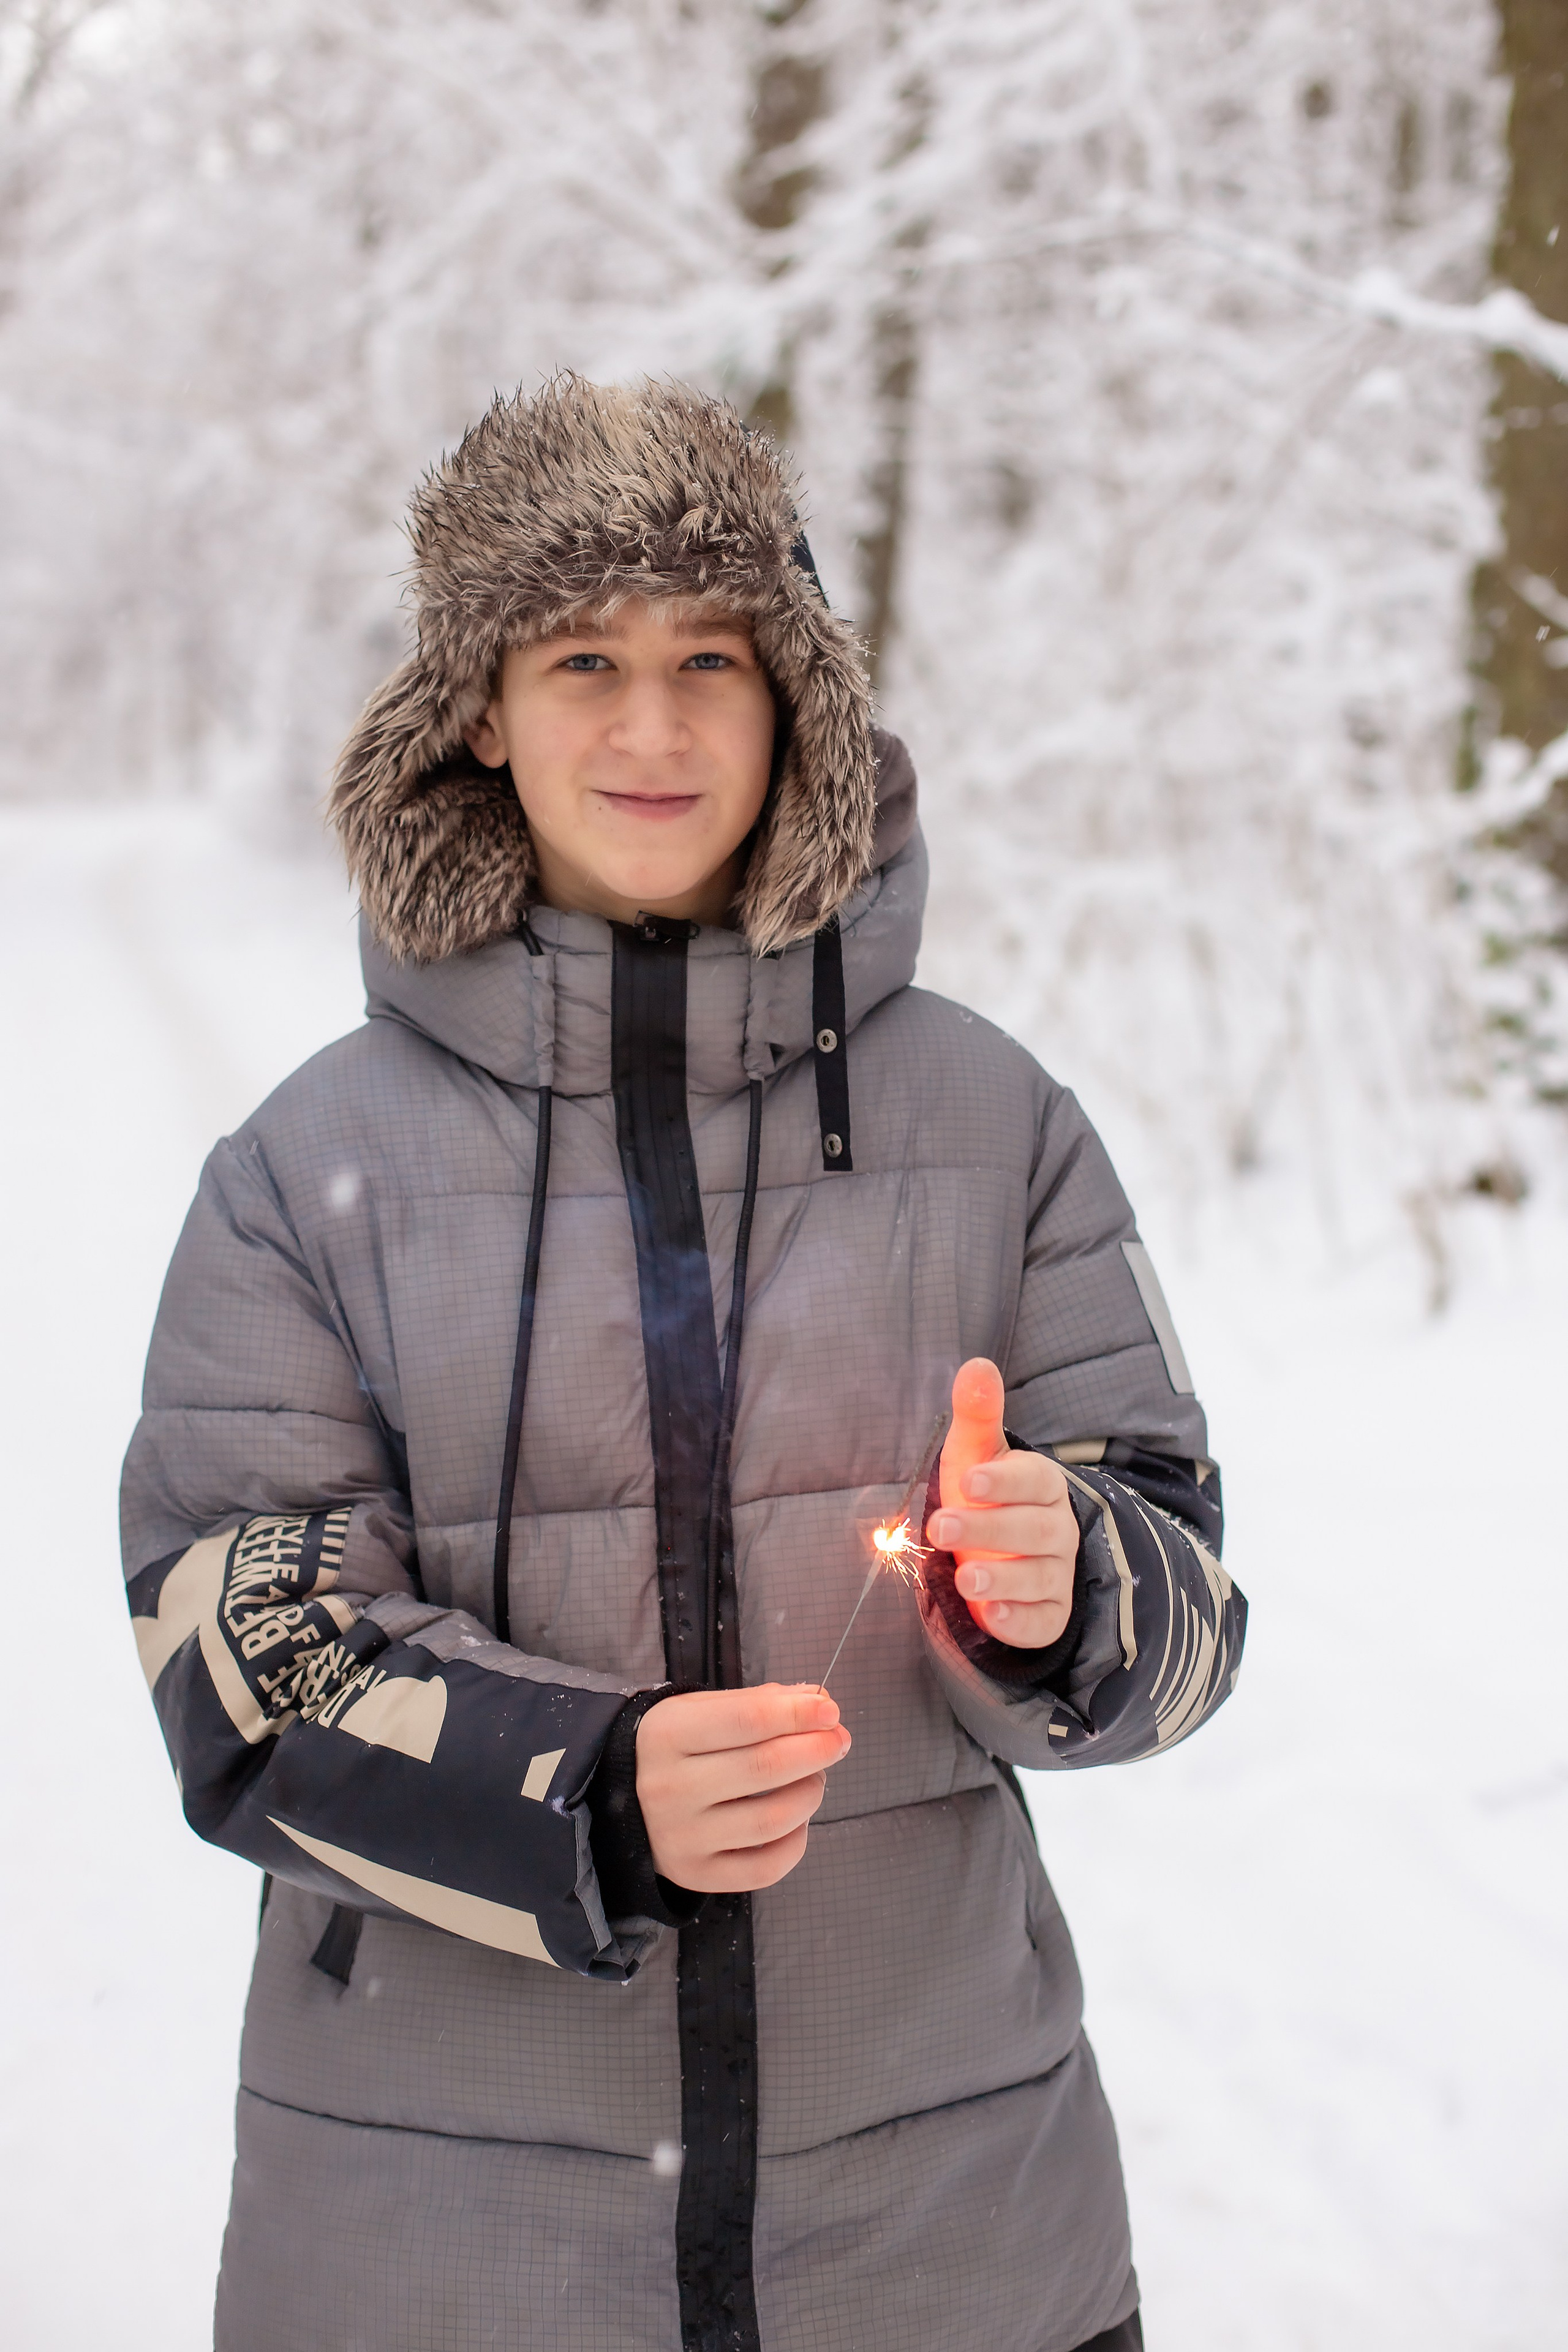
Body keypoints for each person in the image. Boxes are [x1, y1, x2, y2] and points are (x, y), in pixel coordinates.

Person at [122, 374, 1246, 2352]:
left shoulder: (1000, 1123)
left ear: (794, 698)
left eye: (712, 658)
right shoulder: (308, 1171)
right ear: (482, 706)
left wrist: (1074, 1580)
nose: (653, 727)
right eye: (584, 660)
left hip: (950, 2246)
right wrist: (589, 1791)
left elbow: (1191, 1602)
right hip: (438, 2257)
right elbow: (239, 1668)